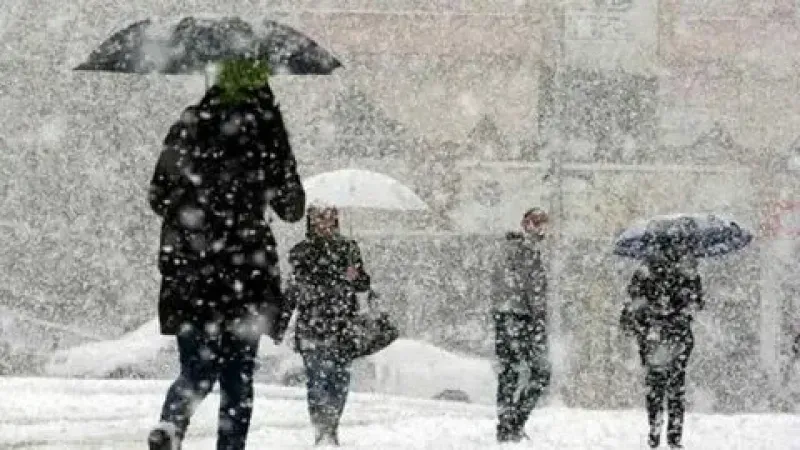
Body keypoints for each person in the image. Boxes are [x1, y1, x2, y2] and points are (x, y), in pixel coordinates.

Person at [146, 58, 305, 450]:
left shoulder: (189, 123)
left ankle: (172, 423)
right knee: (237, 378)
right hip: (245, 273)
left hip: (190, 269)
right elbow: (292, 207)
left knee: (197, 367)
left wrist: (196, 206)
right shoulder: (267, 132)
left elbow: (158, 196)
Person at [281, 205, 371, 446]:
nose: (324, 221)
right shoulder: (301, 252)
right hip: (313, 325)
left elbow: (363, 285)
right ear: (310, 219)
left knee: (339, 382)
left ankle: (331, 426)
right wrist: (280, 323)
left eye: (329, 215)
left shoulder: (349, 249)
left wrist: (356, 276)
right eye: (319, 216)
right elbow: (293, 290)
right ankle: (322, 429)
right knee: (317, 381)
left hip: (343, 326)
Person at [620, 235, 704, 450]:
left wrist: (646, 318)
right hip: (676, 335)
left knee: (656, 385)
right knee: (676, 387)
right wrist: (680, 310)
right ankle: (674, 436)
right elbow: (695, 304)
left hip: (653, 334)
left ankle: (655, 428)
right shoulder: (687, 270)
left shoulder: (646, 270)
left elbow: (633, 303)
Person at [490, 207, 551, 443]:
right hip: (520, 318)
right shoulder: (524, 252)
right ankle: (512, 423)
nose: (542, 230)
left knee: (510, 372)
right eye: (537, 224)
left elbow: (500, 285)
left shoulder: (510, 250)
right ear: (526, 224)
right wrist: (538, 318)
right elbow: (532, 290)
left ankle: (508, 424)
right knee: (538, 372)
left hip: (507, 316)